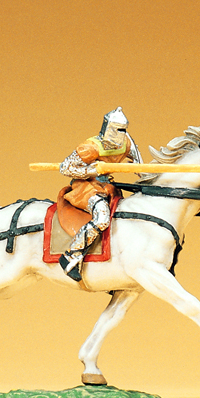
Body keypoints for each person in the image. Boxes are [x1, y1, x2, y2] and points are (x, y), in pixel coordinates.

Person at [58, 106, 142, 281]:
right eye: (118, 129)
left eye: (123, 129)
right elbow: (65, 167)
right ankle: (72, 255)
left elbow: (139, 165)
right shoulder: (90, 147)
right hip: (86, 186)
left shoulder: (126, 142)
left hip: (107, 186)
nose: (121, 133)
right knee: (102, 218)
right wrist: (92, 170)